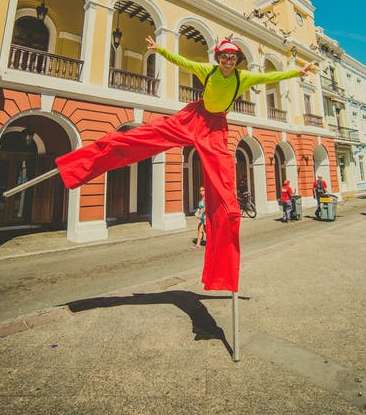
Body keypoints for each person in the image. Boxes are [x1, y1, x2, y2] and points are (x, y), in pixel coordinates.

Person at [55, 36, 315, 292]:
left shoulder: (243, 77)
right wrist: (159, 49)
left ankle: (226, 245)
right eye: (224, 56)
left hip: (215, 129)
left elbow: (272, 77)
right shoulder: (207, 70)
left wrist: (297, 72)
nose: (228, 60)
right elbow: (181, 61)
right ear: (218, 57)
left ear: (237, 61)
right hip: (195, 117)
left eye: (232, 57)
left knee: (224, 182)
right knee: (147, 135)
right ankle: (83, 163)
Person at [192, 185, 206, 249]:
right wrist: (198, 213)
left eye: (203, 190)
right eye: (200, 190)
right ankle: (198, 244)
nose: (201, 192)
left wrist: (200, 214)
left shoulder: (206, 198)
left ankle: (213, 244)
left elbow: (205, 207)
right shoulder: (202, 198)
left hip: (206, 217)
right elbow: (200, 208)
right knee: (200, 230)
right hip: (202, 217)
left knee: (207, 231)